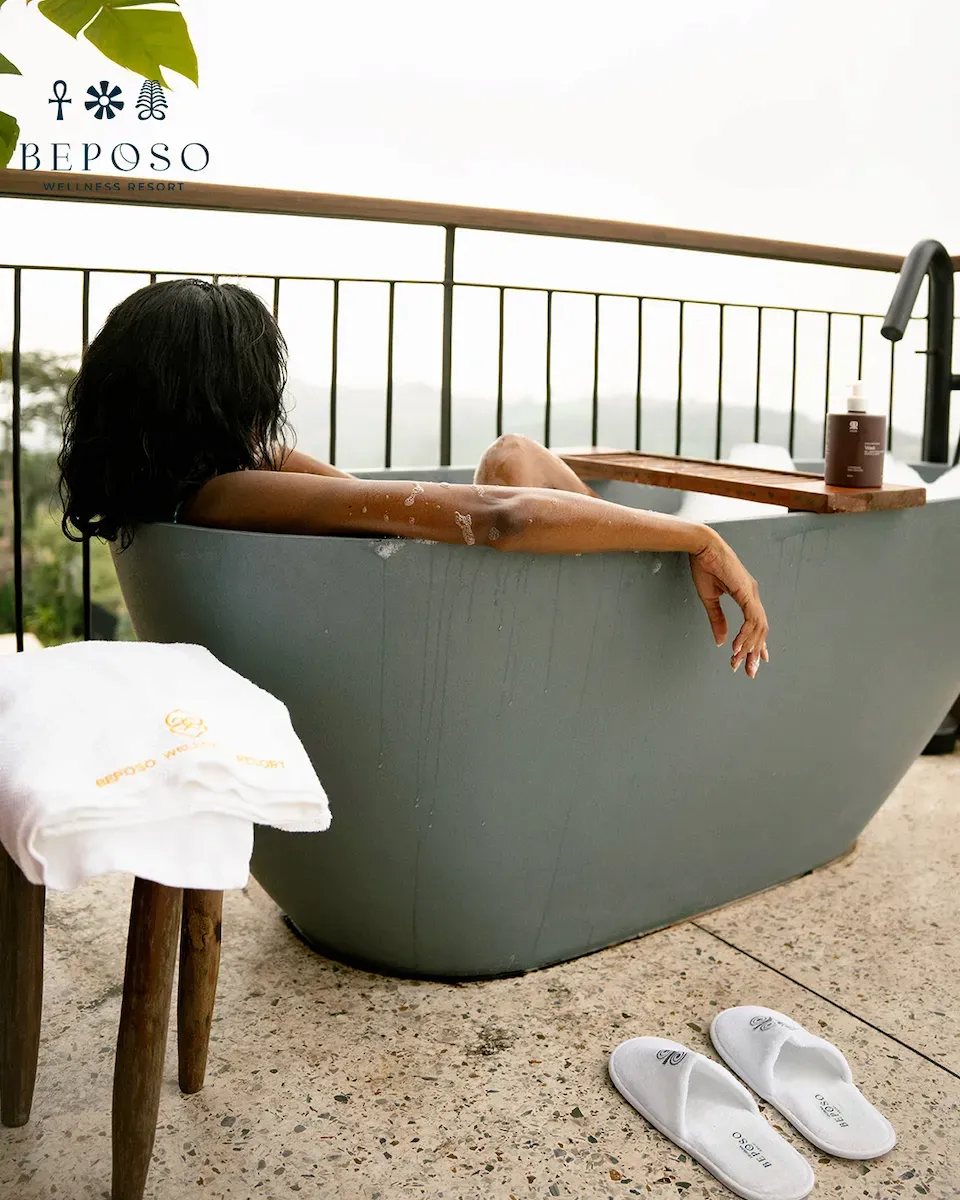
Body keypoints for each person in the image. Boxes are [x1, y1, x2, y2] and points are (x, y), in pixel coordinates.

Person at [57, 278, 769, 679]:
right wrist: (695, 533)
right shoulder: (224, 495)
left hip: (420, 629)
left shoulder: (183, 490)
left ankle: (618, 552)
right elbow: (502, 517)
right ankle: (632, 572)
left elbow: (359, 501)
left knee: (512, 454)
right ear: (223, 396)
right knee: (513, 472)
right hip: (454, 653)